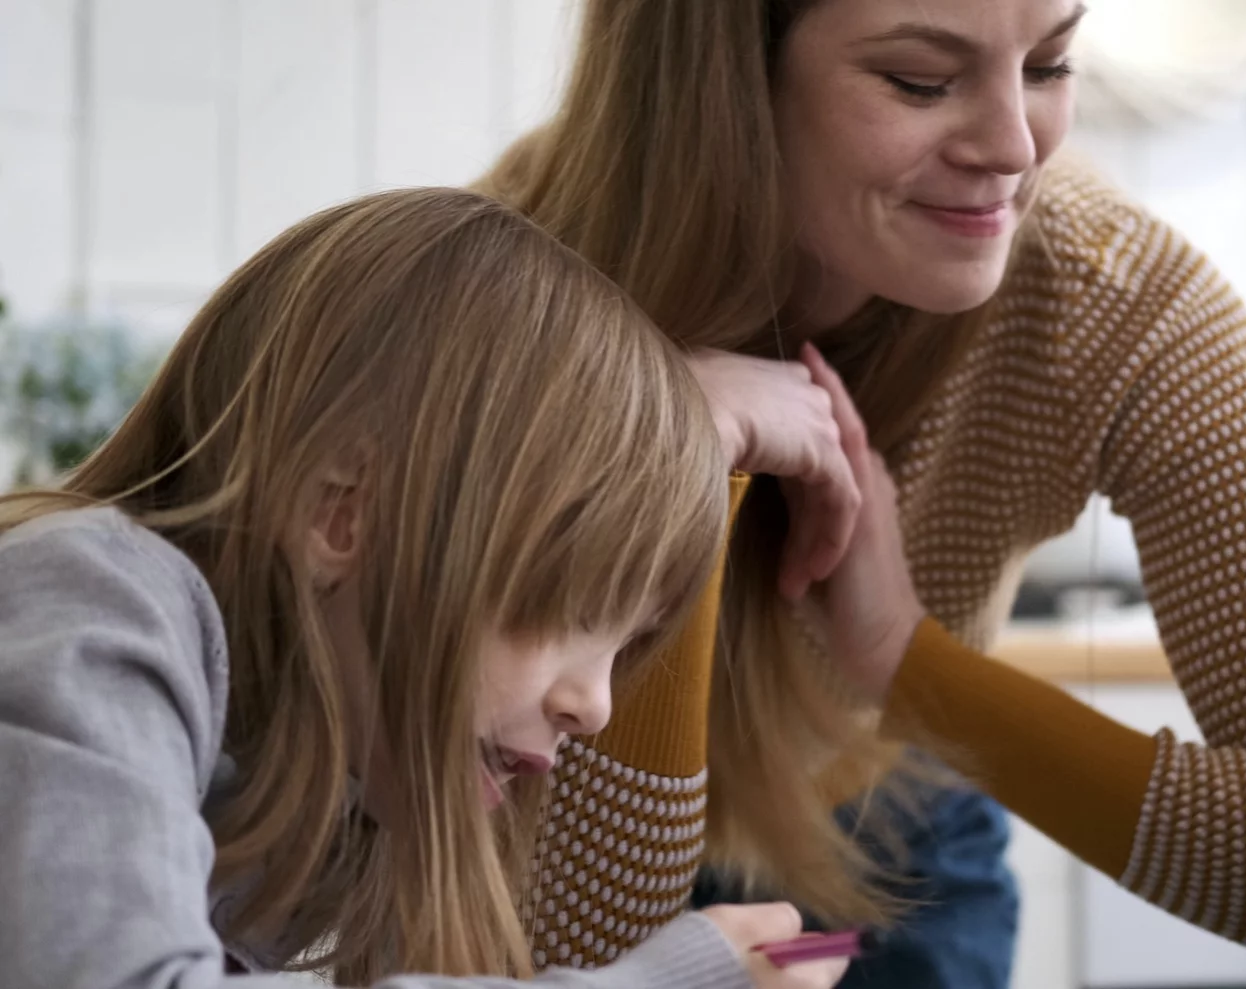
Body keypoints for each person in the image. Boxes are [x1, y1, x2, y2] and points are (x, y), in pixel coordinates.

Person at [481, 1, 1246, 985]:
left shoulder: (1113, 304)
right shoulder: (496, 296)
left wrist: (909, 663)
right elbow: (578, 951)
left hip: (895, 836)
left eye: (1050, 64)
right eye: (921, 81)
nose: (1015, 146)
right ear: (723, 78)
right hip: (546, 829)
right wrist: (679, 457)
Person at [0, 187, 848, 989]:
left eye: (623, 648)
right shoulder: (90, 595)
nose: (594, 706)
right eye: (567, 611)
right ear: (343, 510)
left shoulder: (320, 795)